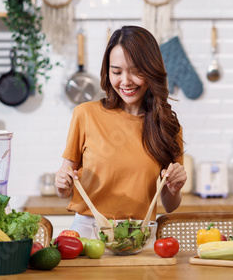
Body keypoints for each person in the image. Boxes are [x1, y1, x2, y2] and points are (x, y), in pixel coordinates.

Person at [55, 25, 187, 238]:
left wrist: (175, 189)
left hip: (139, 235)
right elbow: (64, 189)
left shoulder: (167, 126)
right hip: (89, 232)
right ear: (107, 72)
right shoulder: (85, 114)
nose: (125, 81)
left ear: (152, 71)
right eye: (116, 71)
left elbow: (169, 205)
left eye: (136, 71)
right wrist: (61, 183)